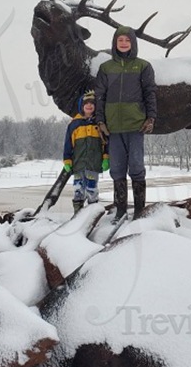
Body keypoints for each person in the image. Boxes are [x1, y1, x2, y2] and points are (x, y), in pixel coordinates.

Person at [94, 25, 157, 222]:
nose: (123, 43)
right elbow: (99, 97)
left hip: (136, 125)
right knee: (117, 169)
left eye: (127, 40)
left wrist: (151, 117)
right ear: (115, 43)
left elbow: (150, 93)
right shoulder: (106, 68)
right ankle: (121, 210)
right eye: (120, 40)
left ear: (133, 43)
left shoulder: (143, 66)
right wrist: (100, 121)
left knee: (137, 168)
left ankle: (139, 211)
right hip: (113, 127)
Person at [62, 90, 109, 215]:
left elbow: (105, 143)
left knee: (91, 189)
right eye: (86, 103)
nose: (89, 106)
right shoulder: (74, 124)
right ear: (81, 106)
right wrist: (67, 161)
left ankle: (92, 214)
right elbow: (68, 145)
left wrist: (105, 158)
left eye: (92, 103)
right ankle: (77, 213)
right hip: (78, 164)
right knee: (78, 189)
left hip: (93, 164)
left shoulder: (99, 124)